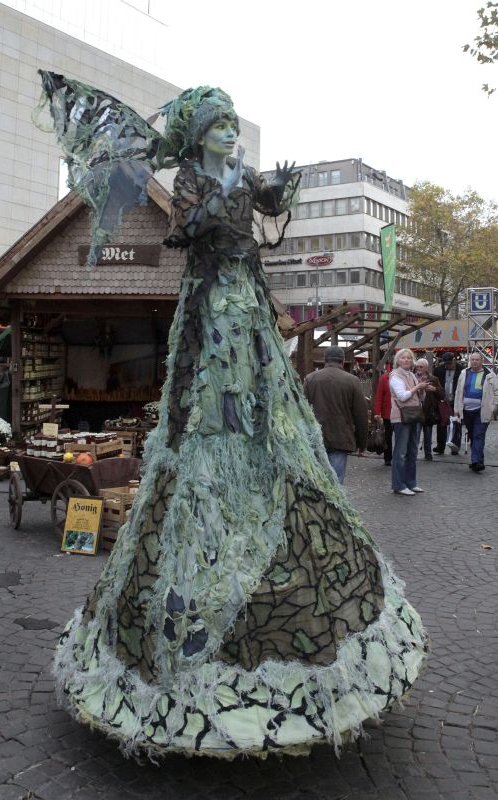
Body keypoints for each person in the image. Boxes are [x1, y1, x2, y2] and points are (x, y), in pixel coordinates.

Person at [41, 74, 427, 759]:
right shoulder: (195, 178)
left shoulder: (237, 176)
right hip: (213, 303)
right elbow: (185, 231)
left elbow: (266, 208)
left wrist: (278, 190)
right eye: (218, 126)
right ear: (197, 137)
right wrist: (218, 198)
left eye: (232, 123)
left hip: (246, 301)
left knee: (254, 384)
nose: (229, 133)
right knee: (215, 390)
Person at [303, 346, 368, 484]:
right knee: (336, 483)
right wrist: (362, 443)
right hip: (341, 438)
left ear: (325, 360)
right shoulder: (352, 380)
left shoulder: (310, 378)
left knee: (317, 481)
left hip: (315, 436)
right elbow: (361, 414)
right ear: (342, 361)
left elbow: (302, 409)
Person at [389, 349, 429, 495]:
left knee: (412, 451)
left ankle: (411, 483)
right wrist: (418, 387)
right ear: (398, 360)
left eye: (409, 358)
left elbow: (420, 398)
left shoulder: (412, 375)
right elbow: (402, 396)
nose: (406, 360)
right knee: (400, 453)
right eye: (403, 358)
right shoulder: (395, 376)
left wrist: (422, 389)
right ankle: (399, 485)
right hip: (401, 417)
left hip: (413, 416)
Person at [454, 351, 498, 472]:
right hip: (467, 410)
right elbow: (458, 392)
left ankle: (475, 461)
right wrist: (456, 410)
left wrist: (494, 406)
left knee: (478, 434)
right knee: (473, 435)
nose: (474, 362)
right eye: (472, 359)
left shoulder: (490, 375)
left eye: (477, 360)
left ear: (481, 361)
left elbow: (496, 391)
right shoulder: (464, 373)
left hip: (482, 410)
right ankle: (479, 460)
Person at [414, 358, 444, 460]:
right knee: (416, 434)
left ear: (426, 367)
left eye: (421, 367)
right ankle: (413, 454)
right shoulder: (413, 377)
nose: (418, 368)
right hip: (416, 410)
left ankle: (428, 453)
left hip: (429, 411)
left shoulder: (433, 379)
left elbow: (442, 394)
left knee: (428, 434)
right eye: (417, 366)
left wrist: (434, 389)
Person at [433, 352, 462, 454]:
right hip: (443, 401)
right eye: (445, 363)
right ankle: (440, 446)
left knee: (455, 424)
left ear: (454, 360)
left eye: (449, 363)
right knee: (441, 424)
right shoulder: (438, 370)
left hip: (456, 401)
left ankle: (455, 447)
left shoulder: (461, 370)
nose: (447, 366)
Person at [373, 366, 393, 466]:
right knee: (388, 436)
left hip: (402, 414)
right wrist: (377, 412)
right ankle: (388, 457)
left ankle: (400, 456)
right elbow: (379, 396)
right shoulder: (385, 378)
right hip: (388, 413)